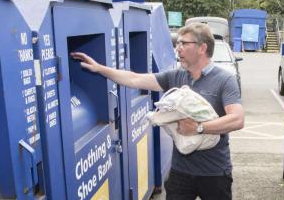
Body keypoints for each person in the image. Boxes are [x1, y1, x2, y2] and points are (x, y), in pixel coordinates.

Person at [70, 22, 245, 200]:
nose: (178, 48)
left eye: (184, 43)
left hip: (214, 172)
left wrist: (199, 127)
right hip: (181, 171)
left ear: (202, 48)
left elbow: (237, 119)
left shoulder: (224, 80)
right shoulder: (176, 76)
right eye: (177, 43)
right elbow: (135, 79)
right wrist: (100, 68)